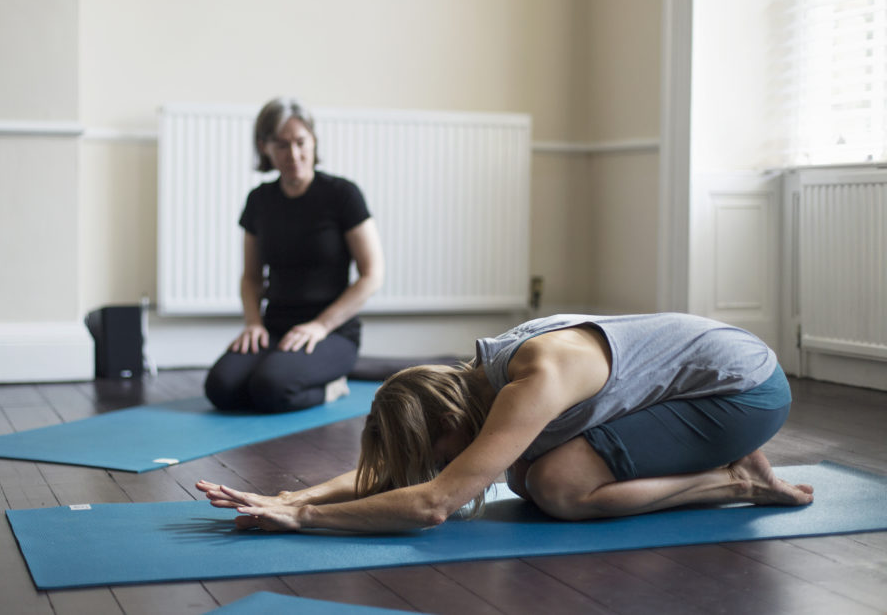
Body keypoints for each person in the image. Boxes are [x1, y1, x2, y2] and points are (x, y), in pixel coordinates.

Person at [196, 312, 815, 532]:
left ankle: (736, 480)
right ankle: (725, 468)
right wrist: (285, 496)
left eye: (435, 448)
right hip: (710, 373)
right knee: (524, 475)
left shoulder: (530, 382)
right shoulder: (478, 379)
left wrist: (306, 519)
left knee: (556, 487)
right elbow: (397, 473)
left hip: (745, 392)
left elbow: (433, 502)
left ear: (446, 414)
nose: (439, 464)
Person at [204, 97, 384, 413]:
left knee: (270, 388)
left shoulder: (343, 195)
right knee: (220, 387)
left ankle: (332, 387)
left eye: (301, 142)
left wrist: (320, 326)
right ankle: (284, 369)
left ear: (313, 141)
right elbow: (251, 277)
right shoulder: (259, 201)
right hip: (276, 328)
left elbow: (372, 274)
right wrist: (253, 323)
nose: (294, 154)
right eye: (282, 145)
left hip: (333, 333)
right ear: (264, 147)